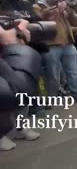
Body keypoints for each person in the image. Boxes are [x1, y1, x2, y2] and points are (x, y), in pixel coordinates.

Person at [33, 0, 77, 101]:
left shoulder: (65, 6)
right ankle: (52, 98)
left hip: (68, 43)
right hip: (51, 45)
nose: (61, 0)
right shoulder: (38, 6)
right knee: (53, 75)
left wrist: (69, 11)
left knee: (72, 72)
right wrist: (55, 11)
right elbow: (38, 19)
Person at [0, 20, 42, 151]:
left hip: (8, 58)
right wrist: (19, 29)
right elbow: (7, 39)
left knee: (22, 93)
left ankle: (20, 128)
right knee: (6, 97)